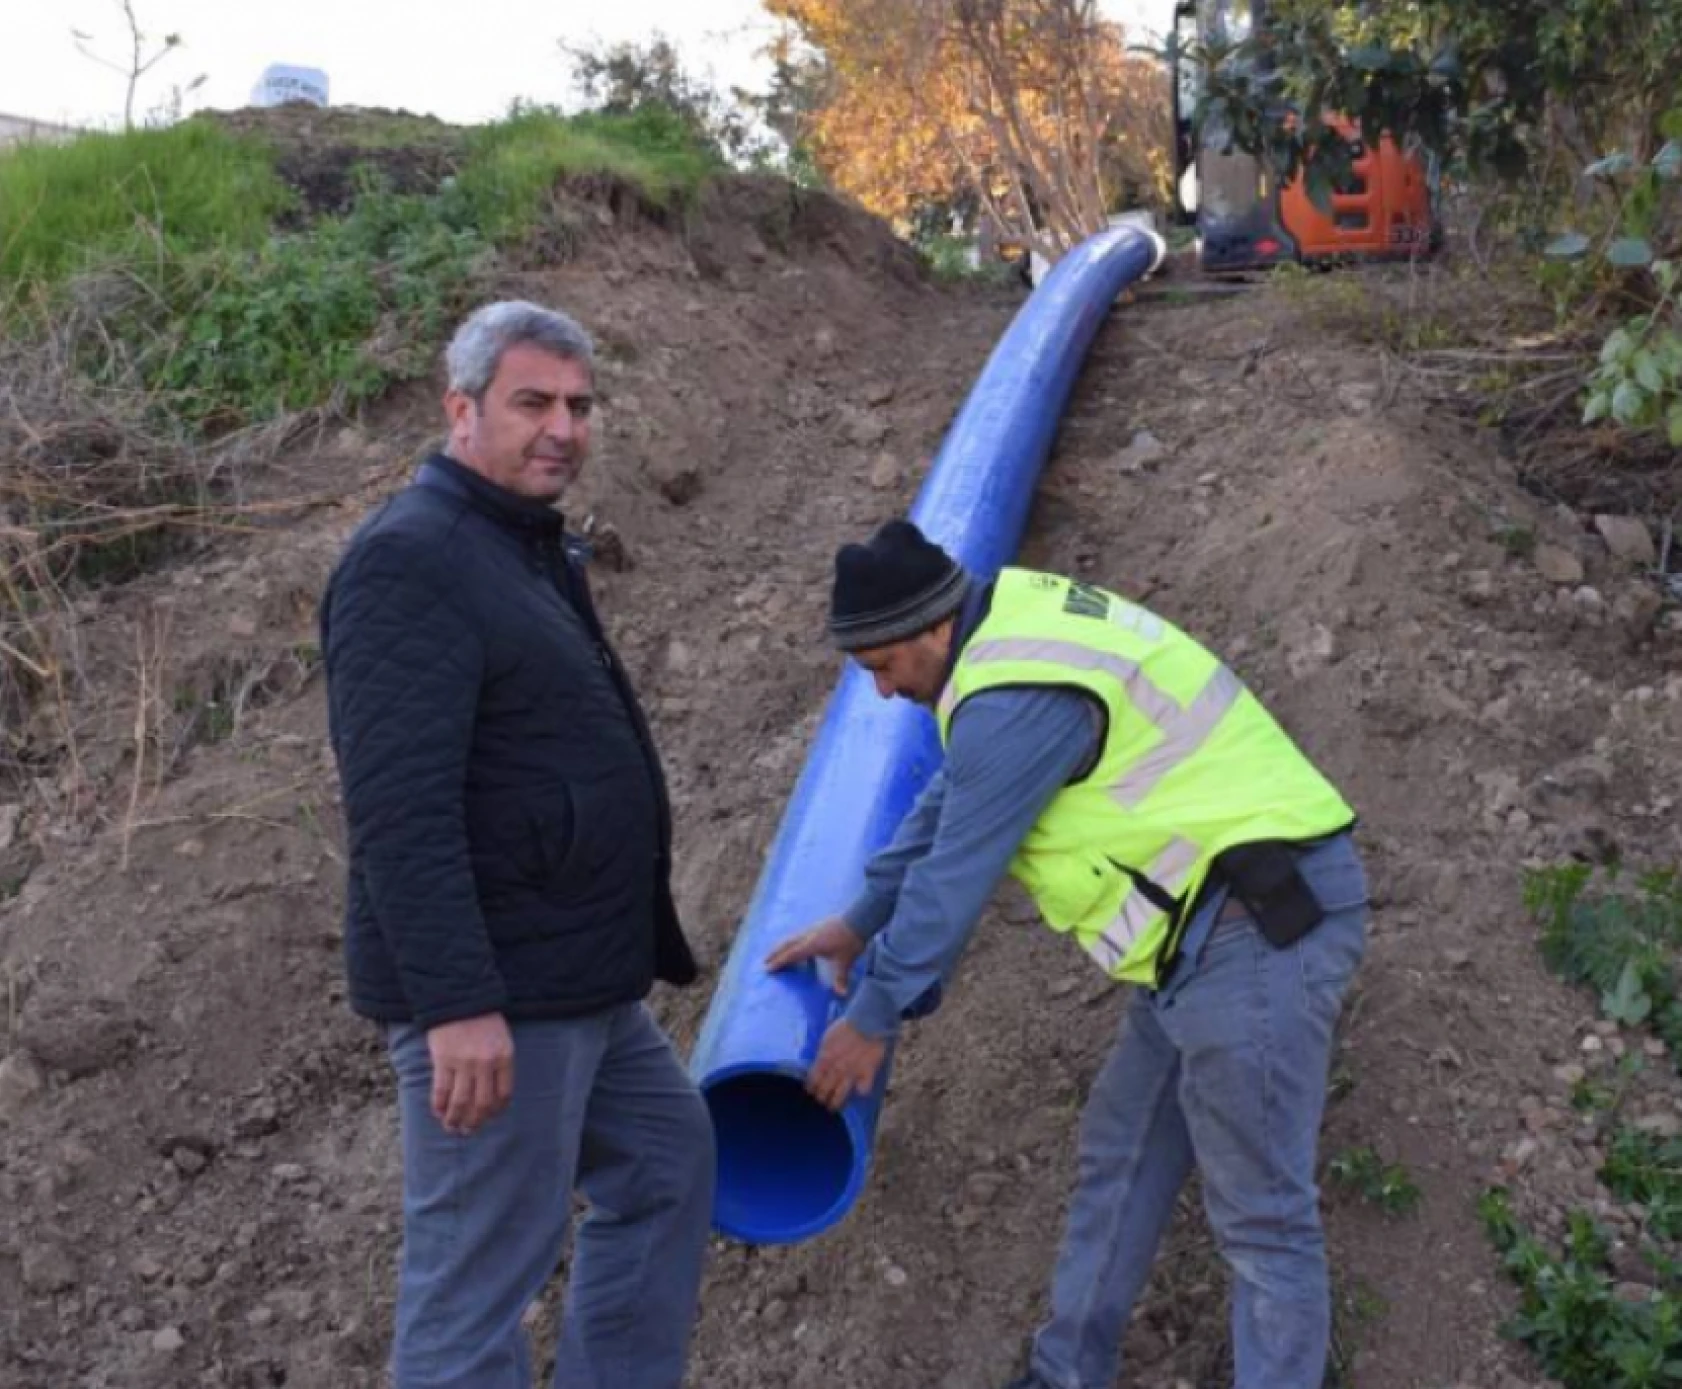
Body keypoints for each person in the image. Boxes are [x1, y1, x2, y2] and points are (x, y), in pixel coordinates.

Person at [767, 519, 1368, 1389]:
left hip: (1257, 926)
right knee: (1120, 1151)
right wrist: (860, 917)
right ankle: (1065, 1374)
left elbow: (955, 879)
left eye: (884, 668)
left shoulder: (1012, 694)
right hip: (1194, 940)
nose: (888, 693)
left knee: (1263, 1222)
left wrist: (872, 1014)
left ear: (931, 627)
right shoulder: (1003, 639)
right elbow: (952, 799)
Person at [321, 300, 714, 1389]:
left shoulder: (520, 546)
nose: (563, 427)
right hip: (500, 995)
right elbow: (399, 811)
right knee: (478, 1281)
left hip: (578, 980)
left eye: (580, 405)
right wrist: (455, 1005)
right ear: (461, 409)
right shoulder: (412, 560)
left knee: (668, 1163)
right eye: (533, 402)